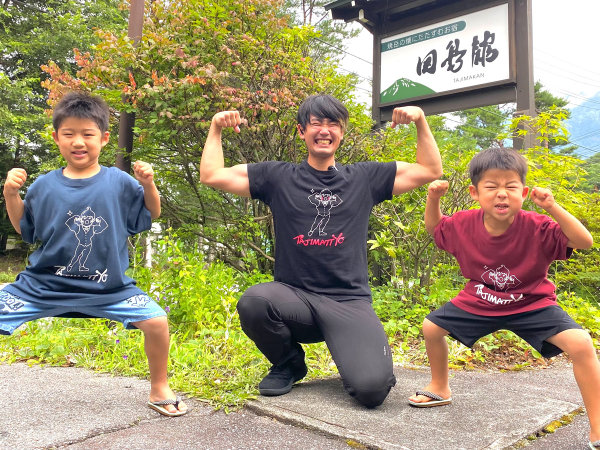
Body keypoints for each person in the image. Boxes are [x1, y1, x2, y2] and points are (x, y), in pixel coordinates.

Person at [200, 94, 442, 407]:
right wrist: (216, 128)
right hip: (294, 299)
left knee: (371, 391)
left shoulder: (365, 178)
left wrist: (420, 120)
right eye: (316, 123)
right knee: (254, 302)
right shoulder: (278, 177)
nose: (324, 130)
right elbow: (211, 175)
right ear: (302, 131)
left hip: (348, 301)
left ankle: (360, 359)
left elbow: (430, 169)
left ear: (341, 133)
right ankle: (289, 363)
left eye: (333, 124)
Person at [1, 91, 187, 417]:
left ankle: (160, 387)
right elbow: (25, 229)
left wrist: (148, 185)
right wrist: (11, 194)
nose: (78, 142)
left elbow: (150, 214)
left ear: (103, 138)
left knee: (156, 321)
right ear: (56, 137)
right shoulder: (44, 185)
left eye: (87, 134)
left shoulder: (119, 182)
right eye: (69, 134)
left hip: (108, 289)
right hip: (44, 286)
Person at [408, 147, 599, 448]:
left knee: (581, 343)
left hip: (532, 303)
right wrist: (433, 198)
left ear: (523, 192)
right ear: (474, 192)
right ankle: (440, 386)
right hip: (480, 299)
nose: (501, 194)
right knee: (432, 327)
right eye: (492, 186)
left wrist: (552, 206)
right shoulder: (463, 224)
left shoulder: (538, 226)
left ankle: (598, 427)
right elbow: (436, 228)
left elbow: (583, 241)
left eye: (510, 186)